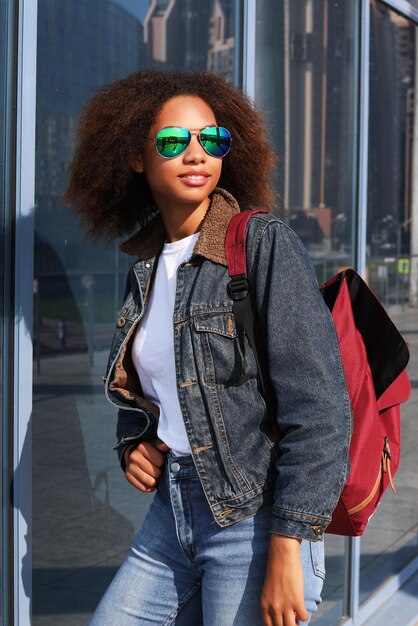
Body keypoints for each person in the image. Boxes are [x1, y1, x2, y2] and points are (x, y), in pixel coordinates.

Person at [64, 70, 351, 626]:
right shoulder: (144, 268)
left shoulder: (260, 243)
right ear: (136, 158)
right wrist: (135, 442)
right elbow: (148, 386)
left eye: (210, 140)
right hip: (169, 514)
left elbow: (320, 408)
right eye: (174, 142)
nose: (196, 154)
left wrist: (290, 543)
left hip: (254, 518)